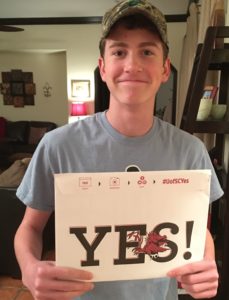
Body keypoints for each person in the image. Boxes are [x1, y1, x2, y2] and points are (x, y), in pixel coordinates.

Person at [14, 0, 223, 299]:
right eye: (119, 52)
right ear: (102, 67)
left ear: (165, 69)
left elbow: (197, 230)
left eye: (147, 52)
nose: (132, 65)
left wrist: (205, 264)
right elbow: (30, 229)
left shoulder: (191, 152)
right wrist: (29, 267)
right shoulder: (57, 146)